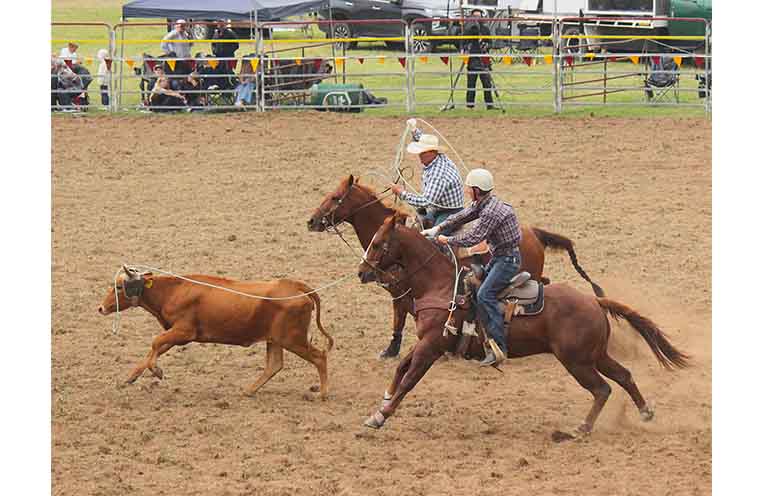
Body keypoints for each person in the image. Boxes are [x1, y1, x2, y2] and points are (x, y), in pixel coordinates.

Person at [423, 168, 522, 367]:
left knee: (485, 295)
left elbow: (473, 238)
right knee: (472, 284)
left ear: (477, 190)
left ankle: (499, 348)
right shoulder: (483, 203)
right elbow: (462, 216)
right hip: (500, 257)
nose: (467, 190)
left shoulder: (491, 212)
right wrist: (438, 228)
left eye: (469, 188)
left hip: (507, 260)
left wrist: (445, 239)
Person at [390, 118, 464, 230]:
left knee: (433, 238)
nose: (419, 154)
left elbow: (426, 201)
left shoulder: (438, 174)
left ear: (431, 152)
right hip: (439, 208)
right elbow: (422, 139)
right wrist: (414, 129)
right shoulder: (438, 157)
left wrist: (402, 193)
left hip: (450, 212)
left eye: (422, 152)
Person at [463, 10, 496, 110]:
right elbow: (464, 42)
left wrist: (486, 45)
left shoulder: (485, 29)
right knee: (471, 84)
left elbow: (490, 43)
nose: (477, 18)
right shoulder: (468, 29)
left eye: (478, 16)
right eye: (475, 16)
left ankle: (489, 105)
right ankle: (470, 105)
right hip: (473, 59)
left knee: (487, 83)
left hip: (483, 59)